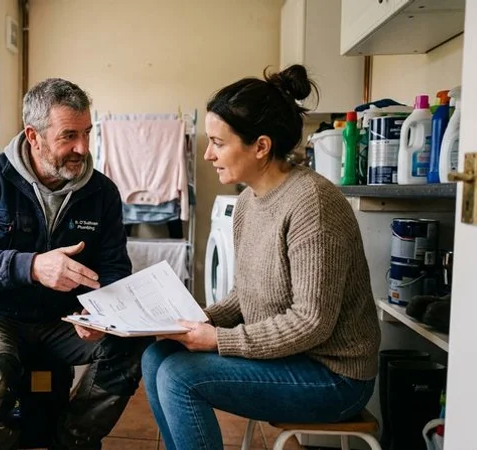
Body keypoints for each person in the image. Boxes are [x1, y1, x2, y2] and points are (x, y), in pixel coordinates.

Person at [141, 65, 381, 450]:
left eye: (218, 143)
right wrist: (195, 320)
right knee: (156, 357)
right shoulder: (248, 203)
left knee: (178, 376)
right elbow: (246, 294)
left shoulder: (313, 203)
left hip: (334, 376)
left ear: (261, 146)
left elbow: (311, 322)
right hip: (289, 359)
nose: (208, 154)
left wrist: (219, 340)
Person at [0, 77, 151, 450]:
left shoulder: (102, 192)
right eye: (69, 136)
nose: (82, 148)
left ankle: (71, 440)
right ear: (33, 136)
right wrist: (32, 267)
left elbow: (115, 267)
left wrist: (99, 311)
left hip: (62, 320)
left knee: (133, 346)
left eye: (87, 133)